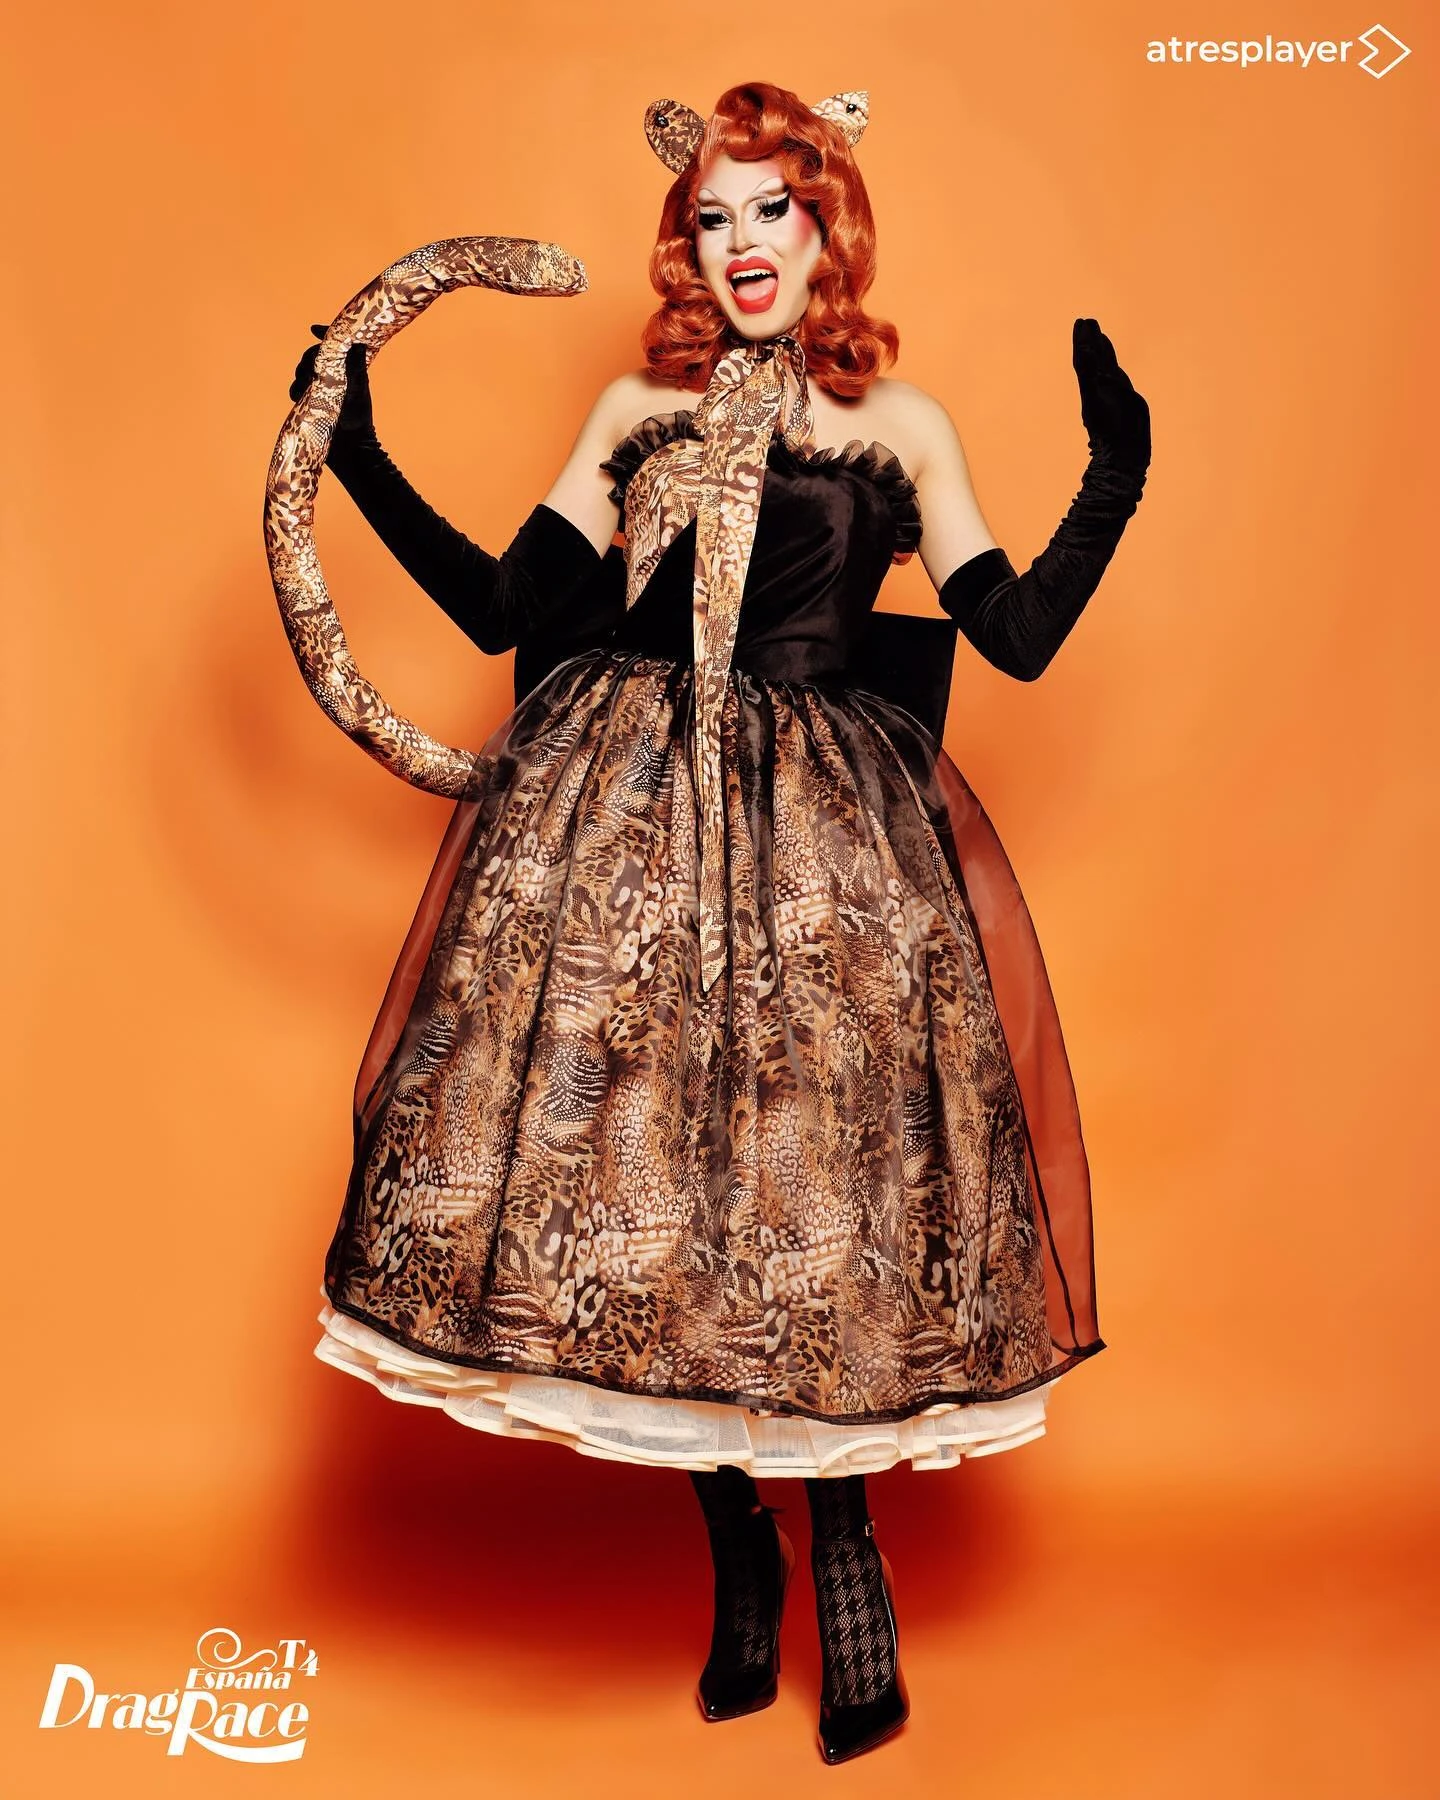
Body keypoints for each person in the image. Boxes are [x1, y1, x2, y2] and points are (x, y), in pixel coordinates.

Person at [294, 79, 1150, 1764]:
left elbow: (1019, 634)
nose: (744, 242)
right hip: (628, 836)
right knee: (651, 1211)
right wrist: (357, 450)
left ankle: (847, 1555)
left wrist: (1115, 470)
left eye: (775, 209)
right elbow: (502, 604)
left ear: (829, 227)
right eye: (714, 216)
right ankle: (738, 1547)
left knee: (808, 1200)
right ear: (687, 242)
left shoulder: (901, 429)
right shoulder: (636, 409)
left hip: (823, 855)